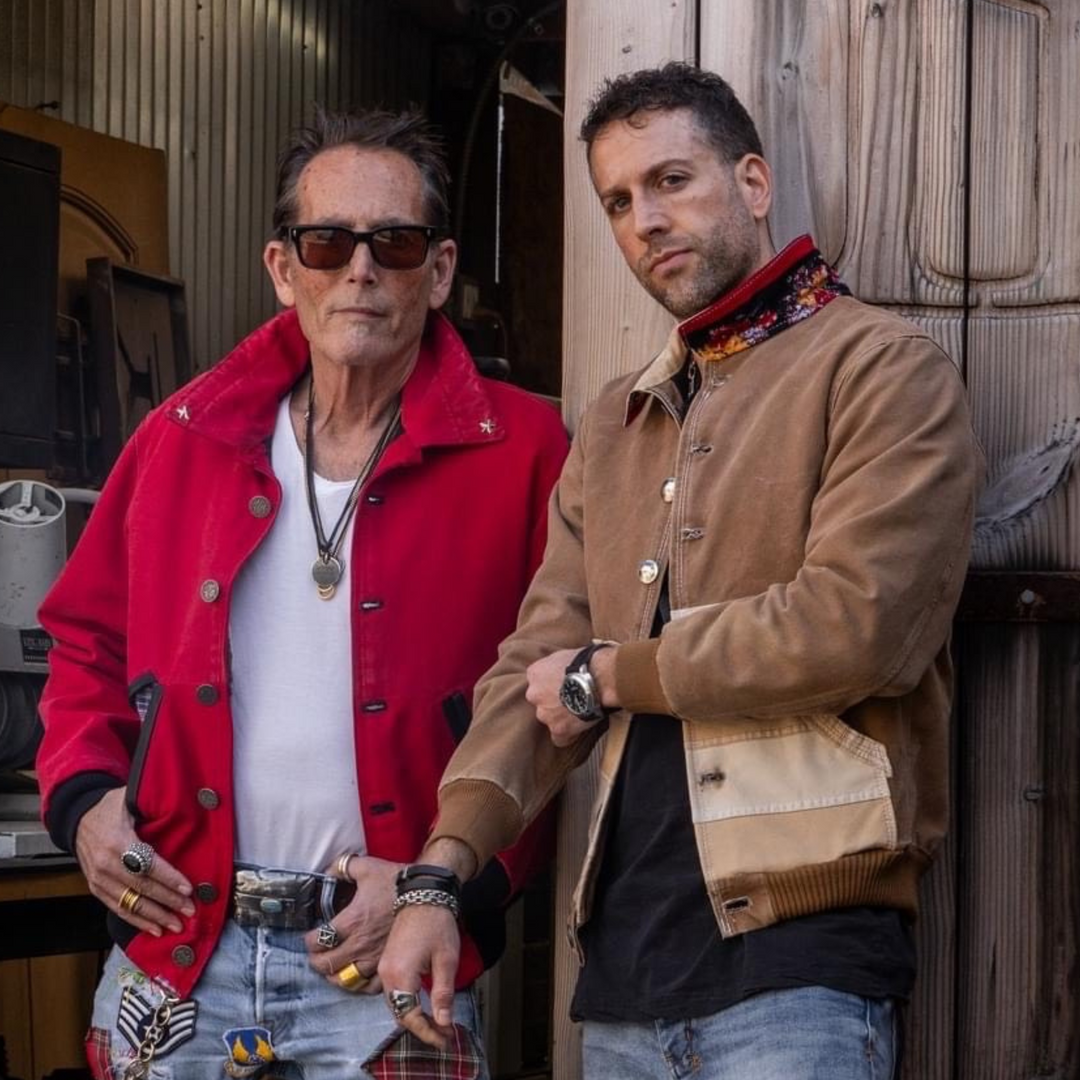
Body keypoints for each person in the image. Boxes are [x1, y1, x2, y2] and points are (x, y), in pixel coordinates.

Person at [378, 62, 984, 1078]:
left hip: (801, 965)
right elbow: (534, 658)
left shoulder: (885, 369)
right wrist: (443, 870)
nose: (644, 220)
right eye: (619, 200)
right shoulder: (616, 422)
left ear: (752, 182)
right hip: (619, 976)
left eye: (672, 181)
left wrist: (608, 674)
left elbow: (856, 624)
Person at [35, 106, 567, 1080]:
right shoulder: (180, 436)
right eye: (328, 242)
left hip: (391, 957)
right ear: (284, 268)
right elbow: (84, 644)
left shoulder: (531, 453)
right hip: (176, 947)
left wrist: (450, 894)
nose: (359, 269)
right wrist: (83, 802)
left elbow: (556, 711)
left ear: (440, 270)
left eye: (394, 243)